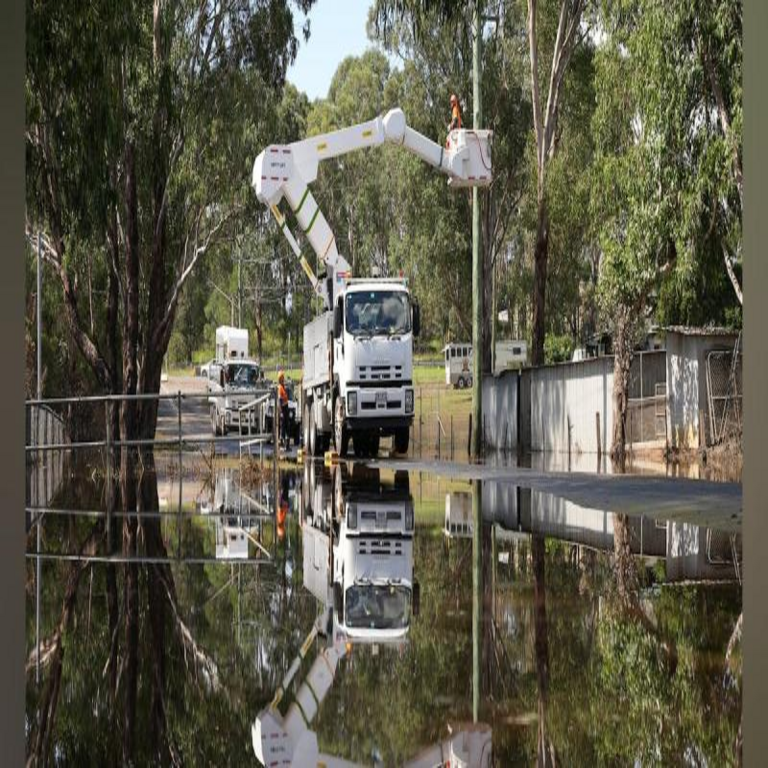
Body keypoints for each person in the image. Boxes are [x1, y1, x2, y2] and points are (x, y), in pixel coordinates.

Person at [277, 371, 290, 448]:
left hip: (285, 408)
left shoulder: (283, 387)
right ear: (280, 379)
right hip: (283, 408)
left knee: (286, 425)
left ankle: (286, 443)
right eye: (283, 378)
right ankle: (282, 443)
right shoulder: (280, 388)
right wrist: (281, 411)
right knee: (283, 426)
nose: (284, 379)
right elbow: (279, 399)